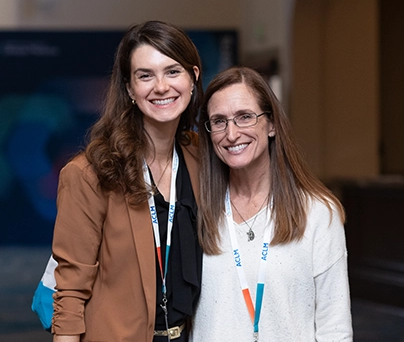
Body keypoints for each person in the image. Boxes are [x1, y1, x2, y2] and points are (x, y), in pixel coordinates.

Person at [51, 20, 203, 342]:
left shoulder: (201, 159)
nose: (161, 86)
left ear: (193, 77)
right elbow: (70, 292)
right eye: (145, 75)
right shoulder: (90, 174)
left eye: (172, 71)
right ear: (130, 89)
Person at [191, 66, 353, 341]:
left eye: (245, 117)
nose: (231, 134)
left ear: (272, 124)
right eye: (219, 121)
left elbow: (334, 329)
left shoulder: (317, 213)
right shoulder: (197, 210)